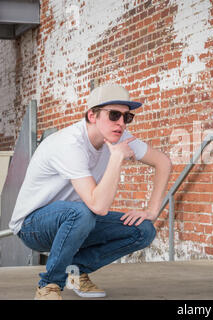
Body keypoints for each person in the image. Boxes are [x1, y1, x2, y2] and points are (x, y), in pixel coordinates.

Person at [9, 83, 172, 300]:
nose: (121, 123)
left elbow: (163, 162)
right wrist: (116, 158)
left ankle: (75, 270)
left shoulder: (119, 137)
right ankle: (49, 285)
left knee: (144, 230)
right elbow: (98, 206)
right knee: (83, 212)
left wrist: (152, 211)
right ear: (92, 115)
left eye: (127, 117)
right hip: (33, 225)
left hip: (77, 221)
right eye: (114, 115)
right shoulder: (70, 143)